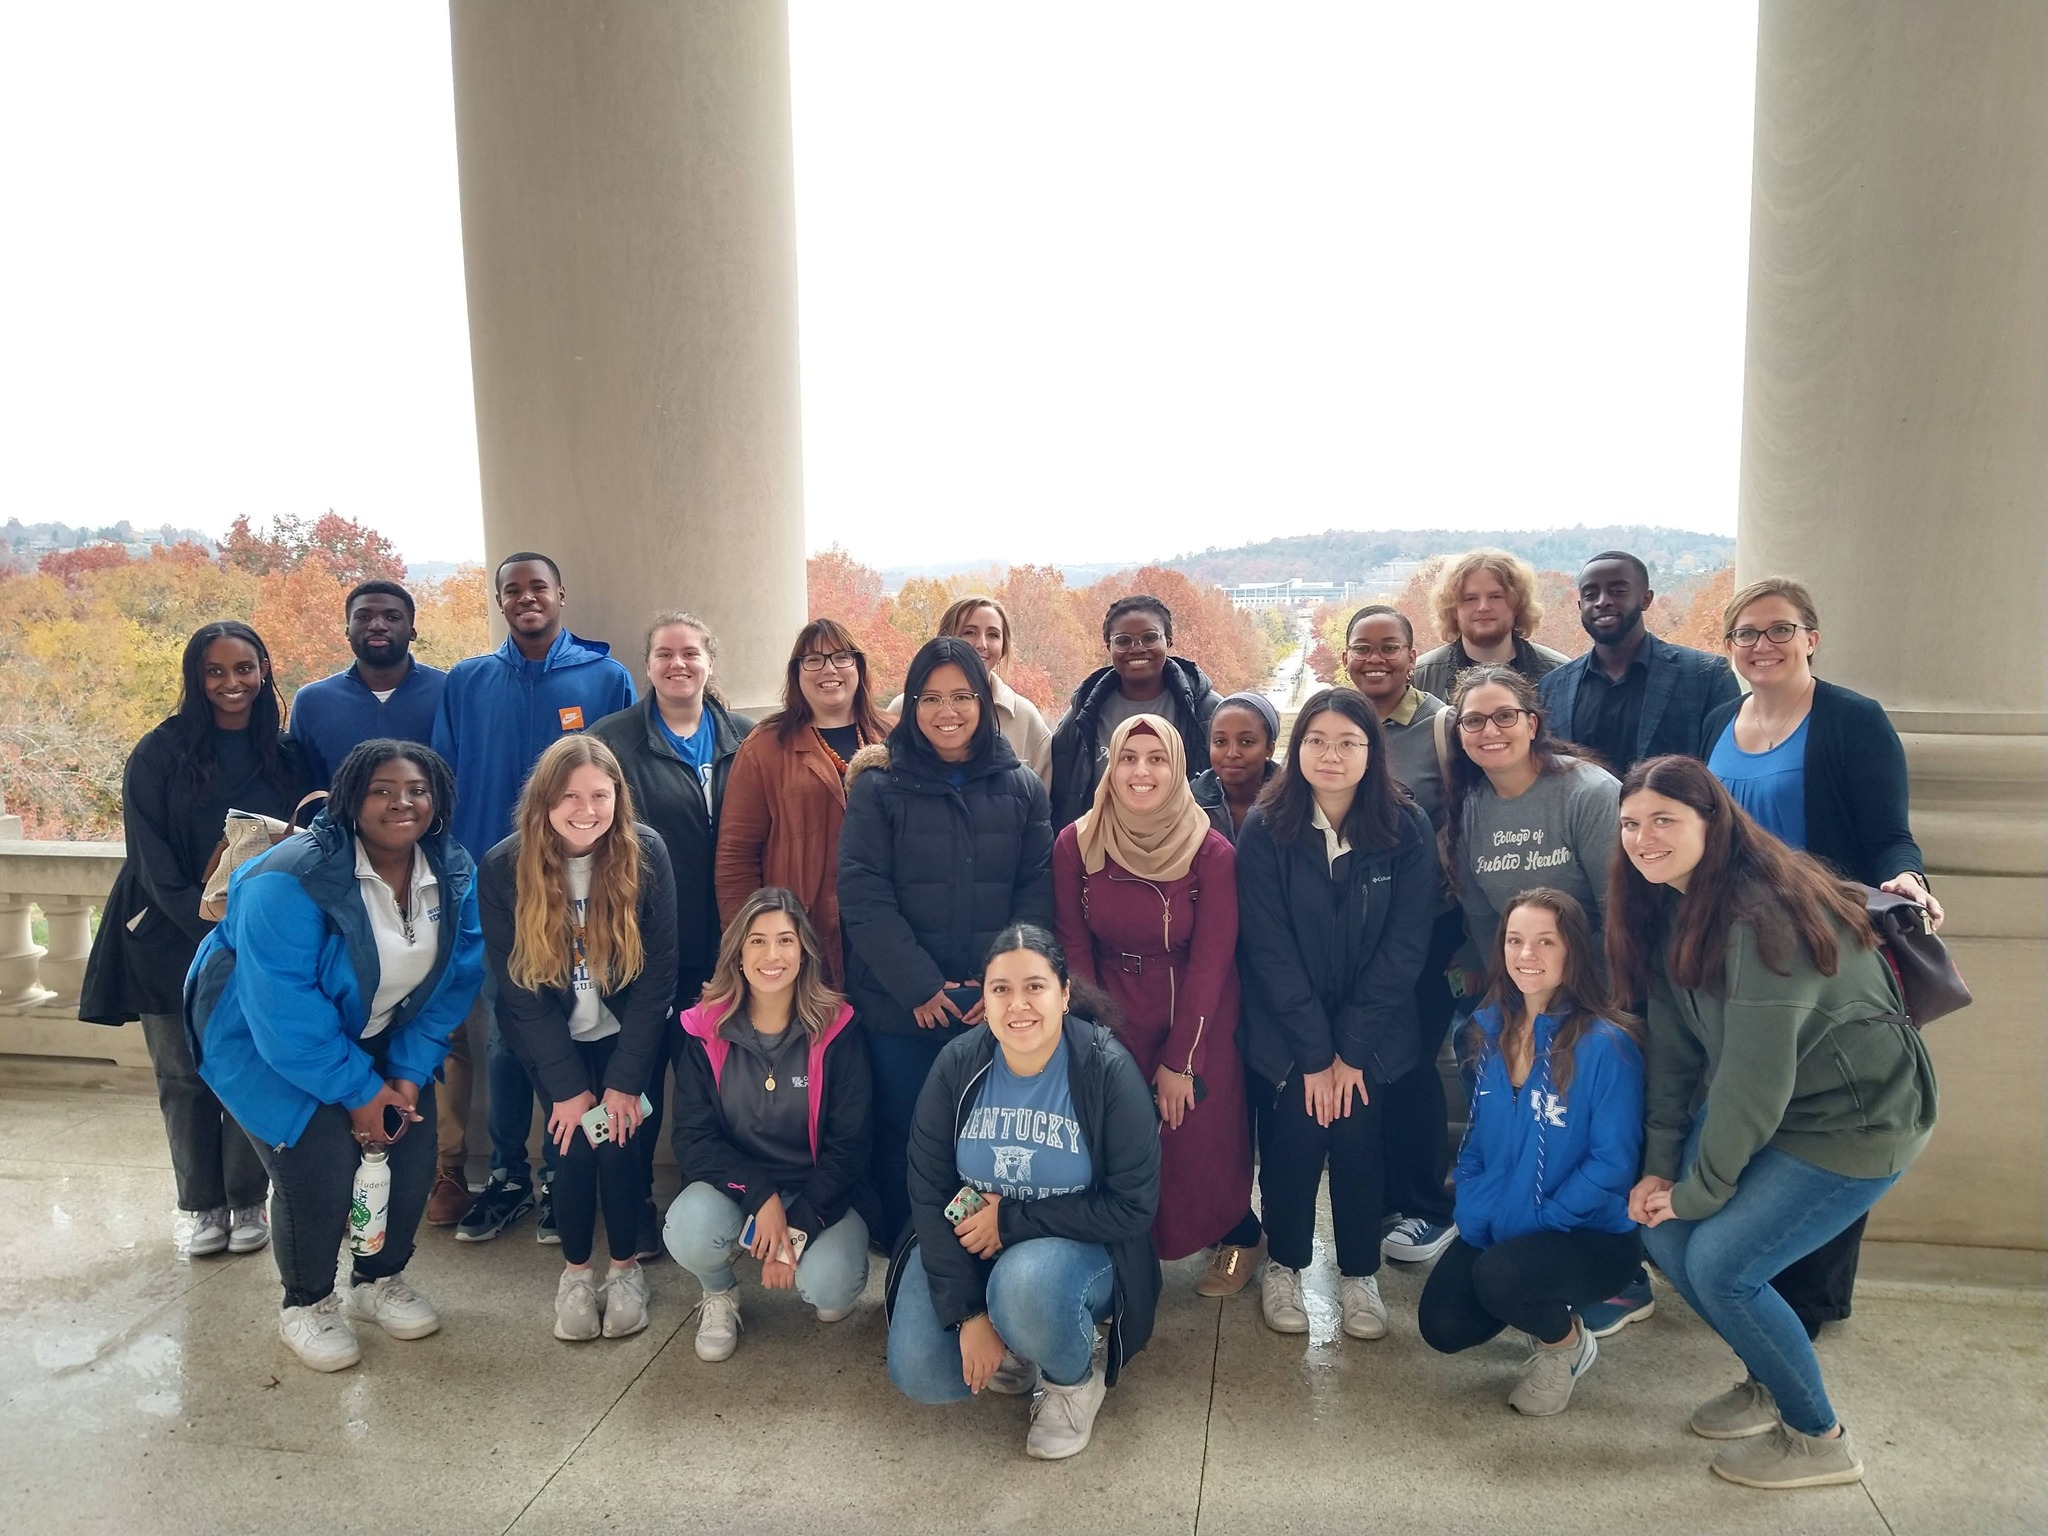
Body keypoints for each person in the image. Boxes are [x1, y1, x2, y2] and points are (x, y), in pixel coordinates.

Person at [1612, 755, 1937, 1490]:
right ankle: (1769, 1377)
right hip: (1783, 1110)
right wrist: (1661, 1168)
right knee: (1662, 1232)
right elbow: (1673, 1056)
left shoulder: (1764, 919)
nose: (1642, 838)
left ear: (1713, 822)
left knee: (1723, 1267)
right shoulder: (1673, 904)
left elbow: (1752, 1087)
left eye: (1665, 820)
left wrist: (1699, 1192)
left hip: (1856, 1122)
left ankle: (1819, 1437)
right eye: (1631, 823)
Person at [185, 741, 483, 1371]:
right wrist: (358, 1092)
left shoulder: (450, 866)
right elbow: (284, 1008)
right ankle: (307, 1302)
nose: (402, 801)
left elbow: (456, 974)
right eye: (380, 789)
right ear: (350, 797)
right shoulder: (288, 878)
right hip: (262, 1038)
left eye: (417, 789)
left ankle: (375, 1283)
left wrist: (403, 1075)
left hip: (379, 1030)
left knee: (411, 1151)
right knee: (317, 1163)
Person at [1701, 576, 1942, 1335]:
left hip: (1823, 956)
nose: (1762, 645)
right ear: (1730, 647)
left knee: (1827, 1119)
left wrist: (1908, 876)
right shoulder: (1716, 718)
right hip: (1732, 952)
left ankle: (1812, 1302)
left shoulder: (1851, 721)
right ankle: (1749, 1276)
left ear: (1812, 637)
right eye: (1746, 634)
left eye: (1780, 630)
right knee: (1754, 1108)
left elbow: (1888, 833)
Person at [80, 621, 313, 1258]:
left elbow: (312, 839)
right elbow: (148, 854)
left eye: (243, 669)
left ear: (264, 670)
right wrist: (202, 918)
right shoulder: (159, 752)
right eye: (215, 671)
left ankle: (246, 1201)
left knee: (244, 1065)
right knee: (182, 1076)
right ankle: (199, 1206)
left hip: (254, 939)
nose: (230, 683)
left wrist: (246, 929)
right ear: (196, 677)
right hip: (165, 930)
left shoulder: (290, 755)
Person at [885, 924, 1161, 1461]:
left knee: (1025, 1287)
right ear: (983, 1001)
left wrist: (1010, 1221)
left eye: (1034, 986)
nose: (1019, 1005)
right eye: (1001, 989)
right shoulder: (958, 1064)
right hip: (973, 1245)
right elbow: (928, 1189)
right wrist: (968, 1314)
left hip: (1078, 1252)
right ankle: (1011, 1333)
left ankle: (1071, 1379)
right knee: (923, 1370)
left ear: (1063, 993)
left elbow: (1133, 1206)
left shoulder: (1106, 1070)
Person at [435, 553, 637, 1241]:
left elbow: (620, 782)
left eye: (538, 588)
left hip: (585, 890)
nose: (526, 598)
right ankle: (509, 1176)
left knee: (575, 1028)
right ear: (499, 600)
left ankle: (562, 1174)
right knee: (507, 1033)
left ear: (561, 594)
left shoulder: (604, 677)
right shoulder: (467, 681)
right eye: (512, 589)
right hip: (499, 890)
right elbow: (444, 782)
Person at [1234, 689, 1436, 1340]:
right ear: (1297, 751)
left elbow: (1405, 949)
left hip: (1372, 1036)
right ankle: (1286, 1266)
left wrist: (1349, 1053)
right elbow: (1268, 948)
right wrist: (1316, 1057)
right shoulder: (1266, 827)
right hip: (1286, 1033)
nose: (1331, 754)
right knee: (1291, 1140)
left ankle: (1358, 1274)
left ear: (1371, 752)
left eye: (1348, 742)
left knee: (1358, 1142)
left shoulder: (1405, 827)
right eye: (1316, 740)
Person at [838, 636, 1054, 1244]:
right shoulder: (879, 787)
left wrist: (999, 990)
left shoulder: (1022, 789)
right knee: (907, 1133)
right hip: (901, 1007)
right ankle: (911, 1259)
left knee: (988, 1138)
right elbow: (863, 895)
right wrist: (922, 986)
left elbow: (1034, 899)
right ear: (910, 704)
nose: (947, 711)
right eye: (929, 698)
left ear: (985, 702)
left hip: (994, 1011)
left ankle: (976, 1257)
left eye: (962, 696)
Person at [1417, 888, 1645, 1417]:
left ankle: (1564, 1345)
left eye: (1545, 941)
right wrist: (1473, 1204)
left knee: (1503, 1277)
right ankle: (1529, 1297)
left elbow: (1613, 1165)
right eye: (1515, 940)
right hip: (1503, 1219)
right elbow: (1475, 1140)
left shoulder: (1607, 1045)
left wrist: (1541, 1218)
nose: (1527, 955)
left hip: (1587, 1234)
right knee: (1443, 1326)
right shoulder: (1487, 1031)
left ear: (1573, 952)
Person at [480, 736, 678, 1341]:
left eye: (600, 794)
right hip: (552, 1042)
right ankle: (574, 1273)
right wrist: (567, 1088)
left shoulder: (645, 854)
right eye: (570, 796)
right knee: (568, 1151)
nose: (586, 809)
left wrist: (624, 1081)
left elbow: (658, 974)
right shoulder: (503, 867)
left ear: (620, 796)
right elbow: (517, 991)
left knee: (622, 1149)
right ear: (543, 802)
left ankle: (623, 1272)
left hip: (627, 1038)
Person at [1053, 714, 1257, 1292]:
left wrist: (1180, 1060)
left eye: (1157, 759)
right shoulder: (1078, 842)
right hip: (1110, 1006)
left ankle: (1237, 1233)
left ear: (1178, 768)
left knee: (1195, 1134)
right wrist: (1096, 1039)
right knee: (1120, 1135)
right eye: (1128, 758)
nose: (1141, 772)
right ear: (1110, 767)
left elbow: (1213, 959)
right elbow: (1073, 944)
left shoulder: (1210, 851)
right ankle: (1128, 1245)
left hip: (1194, 1010)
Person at [590, 611, 757, 1258]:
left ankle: (709, 1216)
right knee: (634, 1090)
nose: (678, 664)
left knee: (716, 1097)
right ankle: (630, 1220)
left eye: (690, 653)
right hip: (641, 955)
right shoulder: (613, 742)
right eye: (665, 654)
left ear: (710, 662)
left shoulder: (746, 739)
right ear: (648, 665)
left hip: (727, 957)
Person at [667, 887, 878, 1362]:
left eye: (785, 941)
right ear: (738, 954)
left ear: (804, 954)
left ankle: (822, 1271)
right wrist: (760, 1197)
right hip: (740, 1189)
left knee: (829, 1288)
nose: (772, 955)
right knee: (687, 1228)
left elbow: (851, 1145)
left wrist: (797, 1227)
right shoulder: (706, 1030)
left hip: (820, 1191)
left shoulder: (837, 1030)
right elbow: (693, 1138)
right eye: (757, 941)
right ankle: (719, 1292)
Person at [1345, 603, 1462, 1265]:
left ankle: (1426, 1205)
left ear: (1412, 656)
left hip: (1428, 925)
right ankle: (1385, 1196)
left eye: (1389, 647)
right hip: (1358, 929)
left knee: (1414, 1061)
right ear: (1346, 658)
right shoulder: (1339, 721)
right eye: (1363, 648)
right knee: (1377, 1061)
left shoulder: (1440, 727)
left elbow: (1465, 819)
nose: (1376, 659)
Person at [715, 619, 893, 991]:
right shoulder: (765, 746)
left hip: (886, 933)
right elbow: (736, 856)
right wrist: (750, 944)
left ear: (858, 666)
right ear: (797, 673)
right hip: (802, 935)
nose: (829, 669)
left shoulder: (894, 738)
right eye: (813, 660)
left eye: (841, 657)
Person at [1538, 551, 1740, 776]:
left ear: (1646, 599)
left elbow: (1728, 770)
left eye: (1618, 591)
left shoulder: (1706, 675)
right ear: (1579, 605)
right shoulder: (1553, 686)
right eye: (1590, 594)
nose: (1602, 601)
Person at [1048, 594, 1220, 830]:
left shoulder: (1206, 711)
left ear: (1168, 641)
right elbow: (1063, 794)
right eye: (1123, 641)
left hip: (1186, 850)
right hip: (1102, 853)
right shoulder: (1082, 716)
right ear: (1109, 646)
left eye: (1150, 638)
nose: (1137, 649)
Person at [288, 581, 448, 790]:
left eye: (392, 617)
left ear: (412, 632)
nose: (377, 625)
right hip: (337, 823)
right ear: (347, 631)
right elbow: (305, 786)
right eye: (364, 617)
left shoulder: (448, 691)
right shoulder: (312, 701)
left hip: (435, 822)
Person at [885, 596, 1052, 785]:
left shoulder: (1025, 717)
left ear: (1004, 647)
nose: (981, 644)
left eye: (993, 634)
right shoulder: (904, 708)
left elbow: (1043, 801)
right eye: (969, 632)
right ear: (945, 639)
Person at [1412, 549, 1569, 703]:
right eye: (1470, 599)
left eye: (1495, 596)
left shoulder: (1562, 674)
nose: (1483, 607)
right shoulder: (1420, 679)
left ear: (1518, 604)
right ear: (1452, 609)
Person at [1192, 690, 1280, 841]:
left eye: (1246, 742)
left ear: (1269, 750)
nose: (1232, 753)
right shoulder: (1190, 802)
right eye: (1220, 741)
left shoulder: (1294, 803)